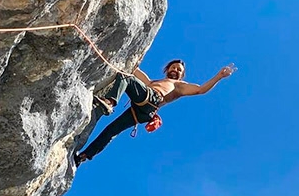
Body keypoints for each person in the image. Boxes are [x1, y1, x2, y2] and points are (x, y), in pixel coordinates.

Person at [74, 58, 236, 164]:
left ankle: (110, 102)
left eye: (179, 70)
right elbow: (137, 70)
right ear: (167, 69)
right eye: (173, 67)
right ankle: (85, 156)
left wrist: (219, 77)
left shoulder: (179, 86)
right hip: (141, 109)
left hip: (152, 101)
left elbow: (200, 89)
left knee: (126, 79)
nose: (176, 70)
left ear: (181, 75)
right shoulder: (155, 81)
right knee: (111, 130)